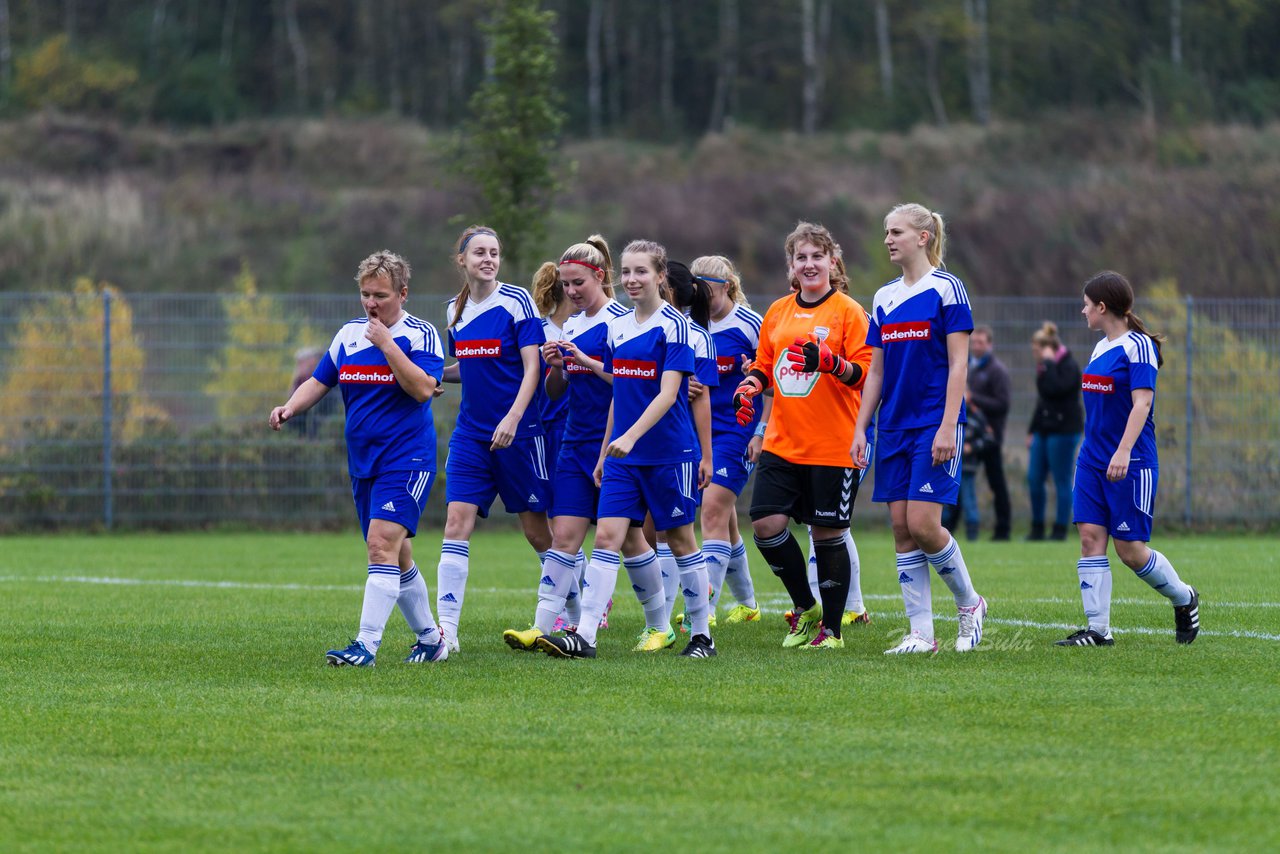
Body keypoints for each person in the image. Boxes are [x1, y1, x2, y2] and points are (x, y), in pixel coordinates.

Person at [537, 239, 716, 659]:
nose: (633, 280)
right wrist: (604, 453)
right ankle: (585, 636)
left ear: (659, 276)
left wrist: (631, 436)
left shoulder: (676, 327)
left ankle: (702, 636)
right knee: (606, 536)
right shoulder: (618, 327)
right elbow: (622, 393)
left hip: (670, 454)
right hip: (622, 457)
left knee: (681, 540)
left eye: (642, 272)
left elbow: (668, 394)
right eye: (628, 272)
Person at [269, 250, 447, 666]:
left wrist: (387, 345)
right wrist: (290, 407)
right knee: (396, 554)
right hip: (363, 462)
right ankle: (430, 639)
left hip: (407, 459)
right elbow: (320, 380)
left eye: (381, 295)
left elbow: (422, 389)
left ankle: (365, 646)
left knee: (380, 544)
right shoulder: (348, 334)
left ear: (403, 294)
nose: (371, 303)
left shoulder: (420, 334)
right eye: (365, 294)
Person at [501, 237, 669, 653]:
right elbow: (558, 391)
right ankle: (539, 627)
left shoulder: (619, 320)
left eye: (578, 283)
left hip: (610, 443)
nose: (571, 292)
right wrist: (557, 366)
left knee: (628, 540)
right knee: (565, 537)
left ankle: (658, 624)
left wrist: (588, 362)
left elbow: (627, 383)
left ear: (599, 277)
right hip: (573, 443)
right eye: (565, 285)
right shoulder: (571, 324)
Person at [853, 203, 988, 655]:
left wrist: (948, 425)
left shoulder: (948, 289)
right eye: (885, 232)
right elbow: (875, 373)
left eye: (896, 232)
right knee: (900, 528)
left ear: (923, 237)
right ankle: (921, 634)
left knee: (924, 524)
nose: (888, 239)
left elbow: (958, 364)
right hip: (893, 426)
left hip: (935, 421)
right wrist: (861, 429)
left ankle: (970, 604)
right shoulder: (884, 296)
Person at [732, 221, 872, 650]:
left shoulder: (849, 311)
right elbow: (764, 363)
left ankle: (832, 630)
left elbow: (864, 375)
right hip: (782, 442)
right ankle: (805, 608)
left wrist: (830, 362)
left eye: (817, 256)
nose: (809, 264)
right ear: (791, 266)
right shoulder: (776, 311)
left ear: (833, 261)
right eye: (801, 258)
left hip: (832, 445)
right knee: (765, 525)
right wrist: (751, 385)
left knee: (827, 535)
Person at [1057, 270, 1199, 647]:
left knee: (1131, 553)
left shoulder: (1139, 346)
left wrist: (1122, 451)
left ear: (1103, 307)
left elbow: (1143, 403)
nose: (1082, 310)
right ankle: (1098, 631)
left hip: (1130, 462)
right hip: (1092, 460)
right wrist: (1097, 451)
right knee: (1089, 537)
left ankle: (1184, 598)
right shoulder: (1100, 346)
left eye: (1087, 305)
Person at [436, 225, 552, 653]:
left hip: (519, 433)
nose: (488, 259)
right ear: (462, 260)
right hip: (471, 434)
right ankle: (446, 631)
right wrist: (431, 376)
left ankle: (569, 609)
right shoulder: (453, 310)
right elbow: (466, 367)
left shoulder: (517, 300)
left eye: (495, 253)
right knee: (455, 522)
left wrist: (513, 417)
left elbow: (533, 368)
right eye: (480, 252)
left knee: (537, 533)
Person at [689, 255, 763, 625]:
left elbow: (776, 379)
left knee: (713, 509)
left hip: (738, 430)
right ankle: (748, 605)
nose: (700, 300)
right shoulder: (687, 325)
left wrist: (762, 431)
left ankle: (703, 611)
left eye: (707, 293)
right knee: (724, 515)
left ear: (727, 287)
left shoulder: (751, 325)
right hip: (698, 431)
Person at [1026, 321, 1083, 541]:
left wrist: (1049, 364)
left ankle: (1060, 529)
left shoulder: (1067, 366)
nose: (1035, 355)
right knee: (1034, 478)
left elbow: (1057, 390)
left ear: (1048, 349)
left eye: (1037, 350)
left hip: (1064, 430)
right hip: (1044, 429)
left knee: (1061, 479)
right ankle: (1037, 527)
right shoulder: (1044, 367)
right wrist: (1031, 430)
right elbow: (1043, 401)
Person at [966, 326, 1012, 540]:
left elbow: (1002, 404)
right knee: (961, 481)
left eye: (981, 342)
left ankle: (1003, 529)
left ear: (989, 345)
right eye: (974, 342)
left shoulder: (997, 370)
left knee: (996, 483)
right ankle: (951, 528)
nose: (976, 346)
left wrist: (973, 398)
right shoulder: (967, 366)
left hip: (990, 436)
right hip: (968, 436)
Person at [943, 393, 994, 541]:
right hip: (947, 465)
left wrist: (971, 447)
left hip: (967, 467)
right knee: (945, 502)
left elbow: (989, 438)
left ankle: (972, 535)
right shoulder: (944, 412)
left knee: (968, 500)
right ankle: (944, 535)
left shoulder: (976, 416)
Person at [286, 347, 339, 438]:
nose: (299, 367)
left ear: (311, 362)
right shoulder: (300, 379)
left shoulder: (323, 378)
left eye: (301, 363)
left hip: (324, 425)